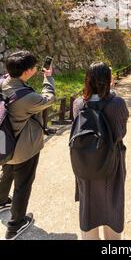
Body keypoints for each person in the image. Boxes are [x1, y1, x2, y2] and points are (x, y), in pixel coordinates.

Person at [0, 51, 55, 240]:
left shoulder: (3, 82)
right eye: (32, 67)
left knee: (7, 171)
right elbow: (48, 99)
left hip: (4, 142)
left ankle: (0, 201)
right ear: (26, 72)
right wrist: (48, 79)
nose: (34, 69)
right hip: (24, 148)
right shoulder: (27, 98)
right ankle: (15, 225)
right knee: (23, 184)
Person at [73, 62, 129, 241]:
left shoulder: (78, 103)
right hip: (111, 162)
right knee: (112, 201)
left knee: (88, 203)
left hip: (85, 162)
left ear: (87, 80)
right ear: (108, 80)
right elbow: (120, 133)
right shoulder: (117, 103)